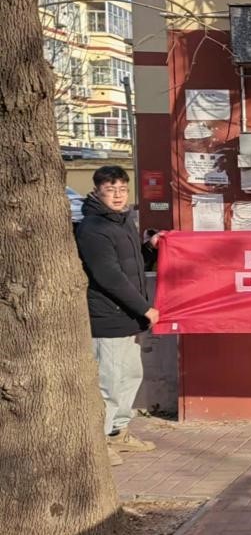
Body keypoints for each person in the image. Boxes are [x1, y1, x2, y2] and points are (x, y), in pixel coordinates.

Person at [74, 166, 160, 466]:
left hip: (128, 318)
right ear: (97, 191)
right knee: (108, 382)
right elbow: (109, 276)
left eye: (122, 189)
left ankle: (118, 432)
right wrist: (144, 308)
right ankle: (99, 442)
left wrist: (149, 248)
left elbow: (130, 263)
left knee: (130, 376)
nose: (118, 195)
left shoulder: (123, 221)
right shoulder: (93, 228)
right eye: (110, 190)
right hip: (107, 317)